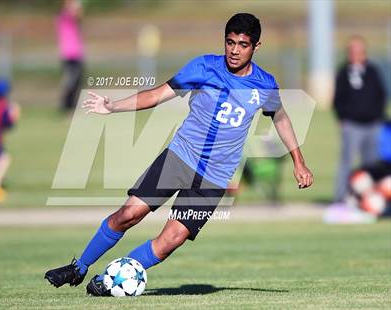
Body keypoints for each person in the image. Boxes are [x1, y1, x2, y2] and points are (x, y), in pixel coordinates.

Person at [45, 13, 313, 296]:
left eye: (243, 44)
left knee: (172, 238)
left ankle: (110, 280)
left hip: (214, 178)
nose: (234, 50)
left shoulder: (264, 84)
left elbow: (280, 118)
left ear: (256, 47)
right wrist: (114, 107)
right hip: (179, 158)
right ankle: (79, 266)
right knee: (128, 214)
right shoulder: (203, 67)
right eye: (230, 42)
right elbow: (158, 94)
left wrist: (299, 161)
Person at [332, 36, 387, 203]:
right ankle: (340, 198)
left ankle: (374, 198)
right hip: (352, 125)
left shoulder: (372, 70)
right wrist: (342, 118)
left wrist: (379, 116)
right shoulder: (343, 72)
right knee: (346, 161)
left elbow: (381, 94)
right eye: (352, 51)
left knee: (372, 164)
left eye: (359, 50)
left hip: (372, 124)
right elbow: (338, 98)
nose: (355, 54)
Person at [57, 0, 84, 112]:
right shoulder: (63, 16)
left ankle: (73, 107)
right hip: (68, 55)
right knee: (70, 82)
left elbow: (79, 15)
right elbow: (76, 14)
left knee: (77, 82)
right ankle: (66, 107)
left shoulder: (72, 15)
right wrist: (76, 5)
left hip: (77, 54)